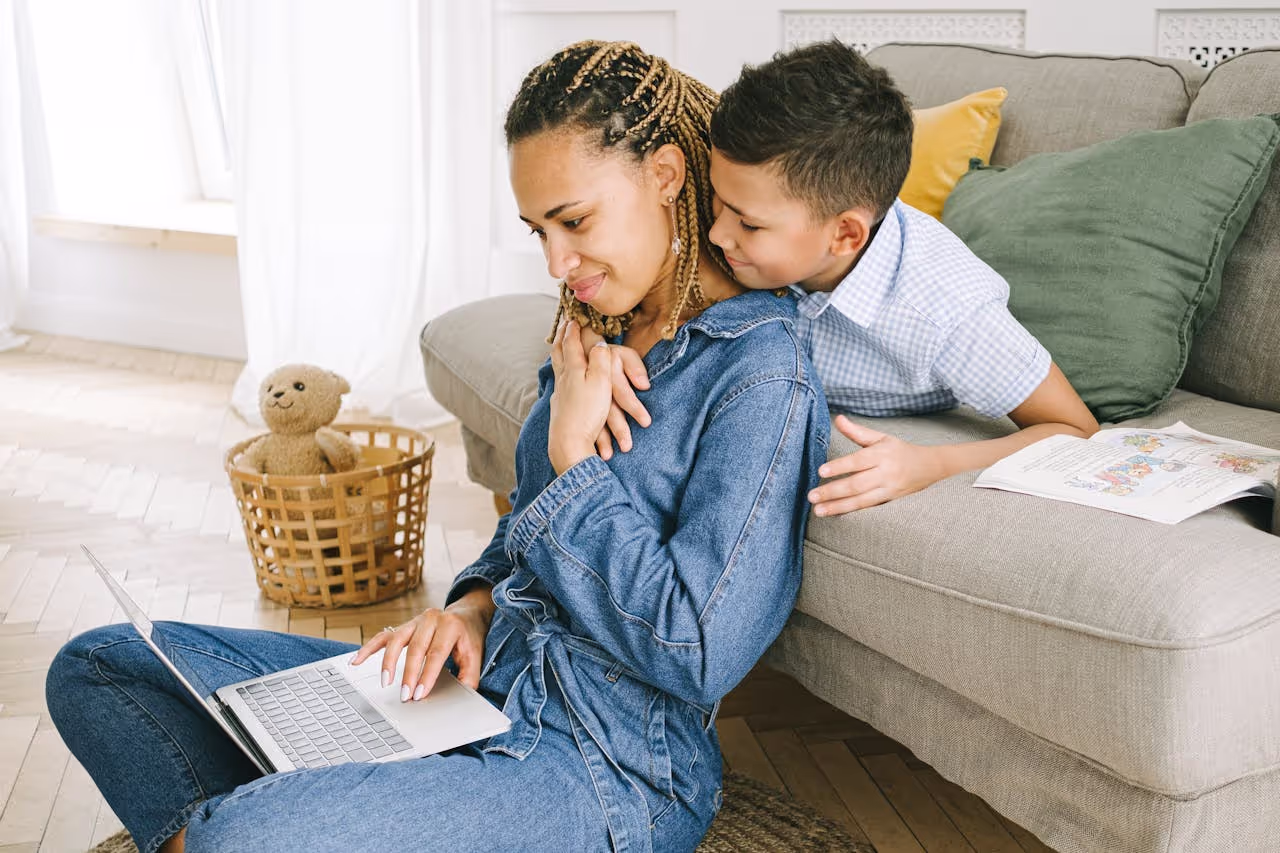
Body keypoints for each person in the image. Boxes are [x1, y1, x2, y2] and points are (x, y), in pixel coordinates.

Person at [44, 40, 828, 853]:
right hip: (470, 689)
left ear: (665, 174)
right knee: (99, 665)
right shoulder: (594, 326)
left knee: (240, 837)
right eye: (538, 230)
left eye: (574, 221)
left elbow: (698, 650)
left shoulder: (760, 375)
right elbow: (522, 529)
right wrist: (471, 607)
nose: (558, 262)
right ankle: (318, 805)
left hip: (600, 763)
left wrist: (577, 466)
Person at [594, 39, 1100, 517]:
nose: (719, 234)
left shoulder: (945, 309)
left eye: (747, 222)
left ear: (844, 235)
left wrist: (932, 464)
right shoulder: (753, 219)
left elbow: (1074, 428)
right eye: (716, 202)